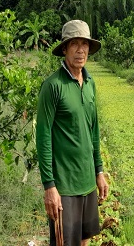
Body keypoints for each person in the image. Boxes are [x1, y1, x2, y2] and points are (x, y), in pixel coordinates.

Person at [36, 19, 109, 246]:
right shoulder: (53, 86)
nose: (81, 50)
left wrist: (99, 171)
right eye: (74, 44)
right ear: (65, 49)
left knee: (85, 240)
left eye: (84, 44)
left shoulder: (89, 82)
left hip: (87, 181)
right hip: (64, 186)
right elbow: (43, 136)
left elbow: (93, 130)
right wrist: (49, 186)